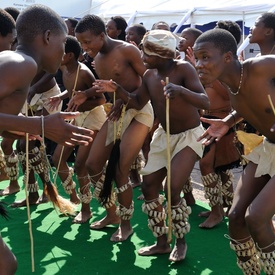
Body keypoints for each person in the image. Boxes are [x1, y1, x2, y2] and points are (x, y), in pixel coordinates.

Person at [94, 29, 209, 262]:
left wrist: (181, 91)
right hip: (164, 135)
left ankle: (181, 242)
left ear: (162, 54)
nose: (142, 56)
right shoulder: (149, 75)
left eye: (147, 52)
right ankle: (161, 242)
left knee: (172, 188)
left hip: (189, 136)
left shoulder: (183, 69)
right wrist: (118, 91)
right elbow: (137, 102)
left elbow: (204, 100)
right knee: (148, 187)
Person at [193, 28, 275, 274]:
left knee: (257, 217)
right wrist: (228, 121)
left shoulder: (263, 66)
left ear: (228, 57)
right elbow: (251, 100)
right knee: (237, 217)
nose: (199, 64)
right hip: (268, 149)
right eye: (197, 58)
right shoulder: (231, 83)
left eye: (206, 57)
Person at [68, 14, 154, 242]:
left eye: (88, 42)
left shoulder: (127, 50)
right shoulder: (97, 59)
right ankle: (112, 214)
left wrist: (129, 100)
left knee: (120, 170)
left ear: (101, 34)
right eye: (81, 44)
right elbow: (111, 88)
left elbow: (149, 80)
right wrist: (100, 96)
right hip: (118, 110)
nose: (85, 48)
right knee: (92, 164)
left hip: (140, 110)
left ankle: (126, 225)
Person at [0, 4, 86, 215]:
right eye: (64, 42)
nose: (65, 51)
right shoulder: (22, 63)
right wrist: (38, 124)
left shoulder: (16, 61)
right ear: (48, 36)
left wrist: (16, 126)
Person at [50, 35, 106, 223]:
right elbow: (74, 90)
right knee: (58, 159)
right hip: (76, 117)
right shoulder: (64, 67)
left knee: (81, 165)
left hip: (92, 118)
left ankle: (86, 209)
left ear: (70, 55)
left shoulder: (84, 72)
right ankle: (74, 197)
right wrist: (62, 96)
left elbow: (101, 99)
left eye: (60, 51)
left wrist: (80, 104)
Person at [196, 20, 243, 228]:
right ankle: (223, 205)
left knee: (209, 165)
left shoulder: (232, 69)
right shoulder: (210, 68)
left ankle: (217, 211)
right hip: (210, 121)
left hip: (225, 121)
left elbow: (233, 97)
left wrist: (211, 79)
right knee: (218, 167)